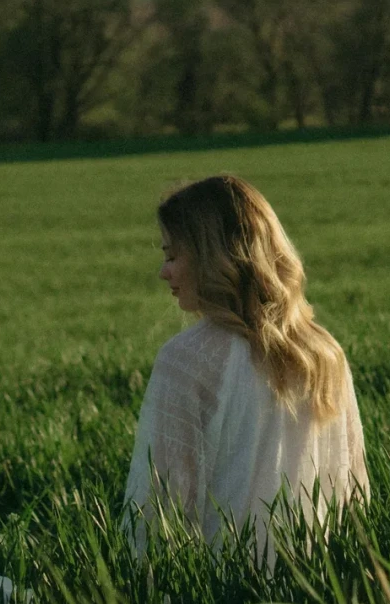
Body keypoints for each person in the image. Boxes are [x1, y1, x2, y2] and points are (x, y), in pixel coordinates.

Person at [123, 175, 368, 569]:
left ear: (208, 257)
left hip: (219, 590)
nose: (163, 273)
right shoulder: (324, 353)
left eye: (172, 256)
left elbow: (159, 512)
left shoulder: (186, 360)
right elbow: (352, 492)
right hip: (315, 585)